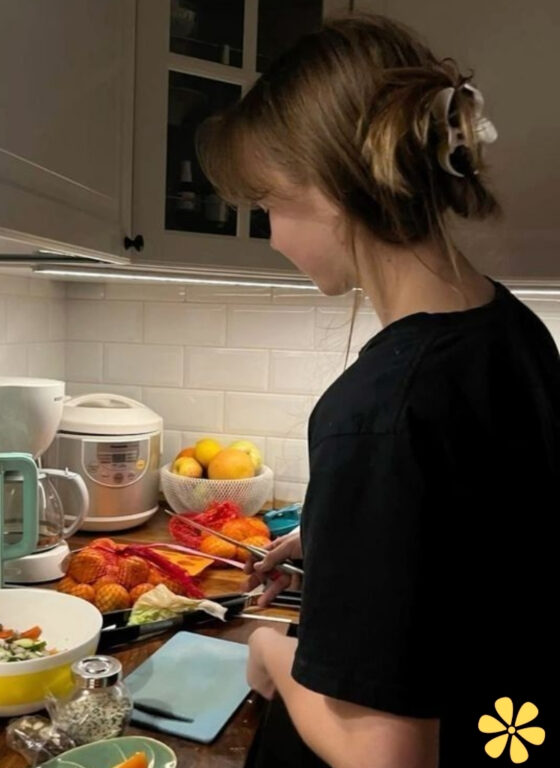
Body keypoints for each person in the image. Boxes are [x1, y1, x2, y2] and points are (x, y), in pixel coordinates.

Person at [197, 12, 559, 768]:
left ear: (330, 189)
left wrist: (271, 656)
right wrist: (336, 540)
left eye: (269, 201)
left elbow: (385, 756)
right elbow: (478, 540)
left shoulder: (378, 414)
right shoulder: (515, 331)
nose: (269, 235)